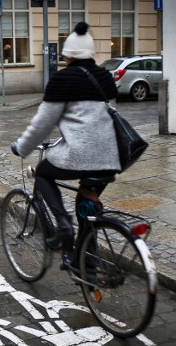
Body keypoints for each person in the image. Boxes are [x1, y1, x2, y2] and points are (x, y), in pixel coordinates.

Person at [11, 22, 120, 268]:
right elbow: (103, 118)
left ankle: (62, 225)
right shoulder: (105, 77)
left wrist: (22, 147)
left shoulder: (62, 79)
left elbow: (42, 124)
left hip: (80, 156)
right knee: (86, 207)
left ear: (67, 55)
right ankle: (87, 262)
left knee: (43, 174)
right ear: (91, 53)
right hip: (110, 158)